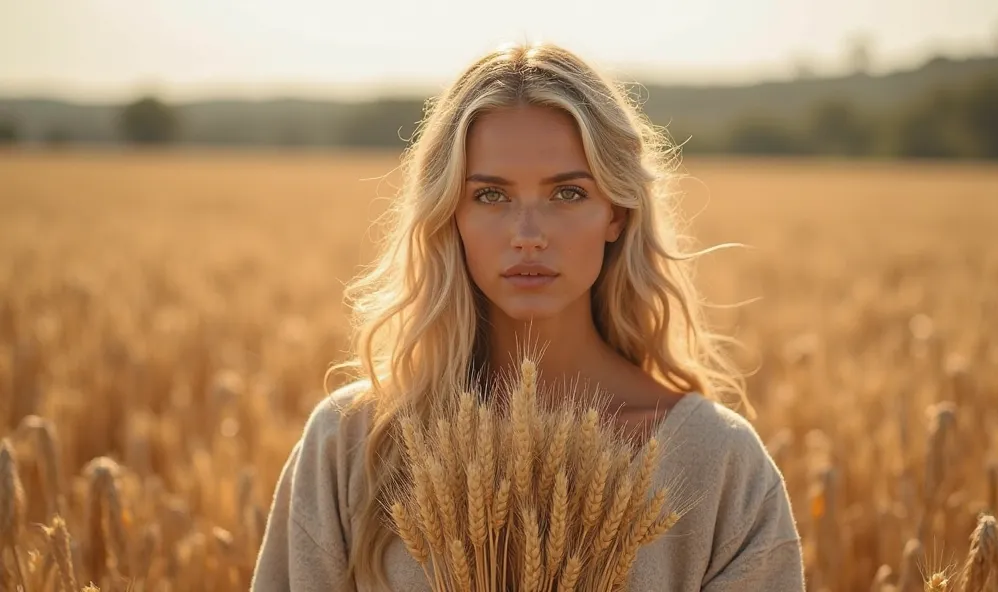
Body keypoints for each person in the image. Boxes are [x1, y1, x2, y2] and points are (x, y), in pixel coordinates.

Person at [251, 41, 805, 591]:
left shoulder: (720, 465)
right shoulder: (352, 447)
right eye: (491, 196)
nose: (529, 236)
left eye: (567, 193)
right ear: (450, 214)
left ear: (616, 211)